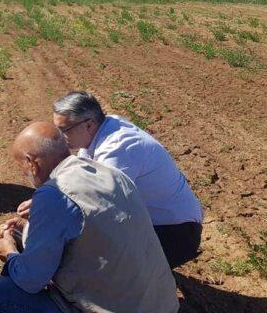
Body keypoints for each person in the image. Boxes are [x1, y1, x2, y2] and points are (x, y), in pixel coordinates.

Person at [0, 122, 178, 313]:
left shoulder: (54, 193)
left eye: (21, 167)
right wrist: (29, 225)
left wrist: (9, 253)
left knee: (5, 293)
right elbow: (88, 228)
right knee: (23, 240)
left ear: (32, 163)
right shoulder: (110, 173)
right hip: (162, 304)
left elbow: (31, 279)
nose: (23, 174)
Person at [52, 91, 203, 268]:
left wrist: (51, 212)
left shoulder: (119, 148)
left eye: (64, 130)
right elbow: (82, 176)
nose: (60, 136)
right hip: (158, 224)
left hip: (175, 232)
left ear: (88, 124)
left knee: (99, 261)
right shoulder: (102, 128)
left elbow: (100, 205)